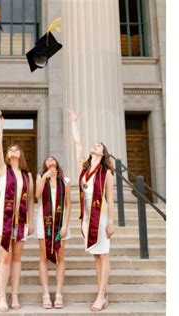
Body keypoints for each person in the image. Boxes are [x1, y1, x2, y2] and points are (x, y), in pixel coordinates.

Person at [68, 109, 115, 312]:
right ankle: (103, 294)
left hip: (101, 216)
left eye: (98, 146)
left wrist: (111, 222)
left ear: (102, 153)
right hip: (87, 217)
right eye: (94, 145)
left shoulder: (107, 173)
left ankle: (100, 296)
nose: (94, 146)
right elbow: (77, 144)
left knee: (103, 255)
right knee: (97, 256)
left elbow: (110, 200)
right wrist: (74, 123)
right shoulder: (84, 168)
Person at [0, 111, 35, 312]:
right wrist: (0, 127)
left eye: (16, 148)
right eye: (11, 149)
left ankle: (15, 295)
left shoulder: (27, 176)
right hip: (4, 219)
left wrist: (32, 221)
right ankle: (2, 296)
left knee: (17, 259)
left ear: (21, 154)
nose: (13, 150)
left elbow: (32, 202)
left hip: (21, 221)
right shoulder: (3, 171)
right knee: (5, 258)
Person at [35, 156, 71, 309]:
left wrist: (65, 226)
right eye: (47, 160)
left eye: (52, 159)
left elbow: (68, 205)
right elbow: (37, 195)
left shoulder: (65, 182)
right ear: (45, 165)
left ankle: (58, 294)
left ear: (56, 163)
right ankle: (45, 294)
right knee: (43, 256)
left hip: (61, 224)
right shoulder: (40, 178)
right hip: (45, 223)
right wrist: (44, 177)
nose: (49, 161)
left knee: (60, 257)